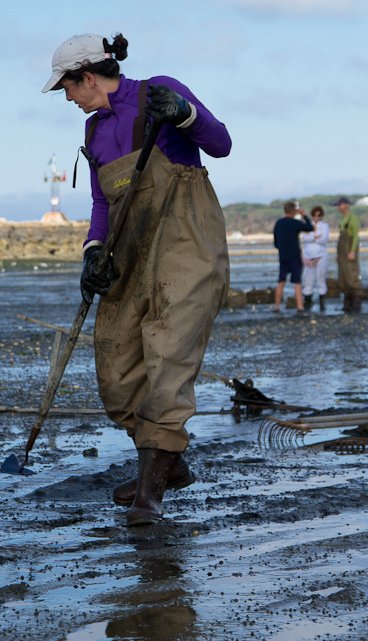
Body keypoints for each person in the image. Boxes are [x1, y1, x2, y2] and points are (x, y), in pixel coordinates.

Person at [42, 33, 231, 526]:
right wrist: (92, 252)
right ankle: (169, 463)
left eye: (66, 87)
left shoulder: (156, 93)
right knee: (117, 367)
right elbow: (103, 203)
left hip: (185, 242)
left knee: (168, 358)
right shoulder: (92, 131)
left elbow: (222, 144)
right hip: (128, 249)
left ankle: (150, 493)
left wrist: (185, 114)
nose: (66, 98)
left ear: (87, 76)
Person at [273, 201, 313, 315]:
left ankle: (276, 306)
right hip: (295, 255)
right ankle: (300, 306)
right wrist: (304, 214)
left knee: (281, 282)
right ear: (293, 211)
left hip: (283, 256)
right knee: (297, 282)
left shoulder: (278, 223)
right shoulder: (295, 222)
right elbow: (309, 227)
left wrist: (282, 249)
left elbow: (275, 243)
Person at [336, 196, 362, 313]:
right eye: (338, 205)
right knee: (343, 277)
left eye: (340, 205)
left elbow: (355, 236)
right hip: (342, 252)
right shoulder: (343, 219)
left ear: (347, 205)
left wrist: (353, 251)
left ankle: (356, 303)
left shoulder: (353, 218)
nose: (338, 207)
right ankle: (347, 303)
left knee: (352, 275)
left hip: (349, 250)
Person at [301, 205, 330, 311]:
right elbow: (305, 238)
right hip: (308, 255)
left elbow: (324, 240)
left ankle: (322, 304)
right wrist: (316, 236)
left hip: (321, 255)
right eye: (314, 215)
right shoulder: (308, 225)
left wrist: (313, 237)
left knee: (321, 280)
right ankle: (307, 303)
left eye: (318, 215)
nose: (316, 217)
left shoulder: (325, 226)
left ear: (321, 216)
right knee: (308, 281)